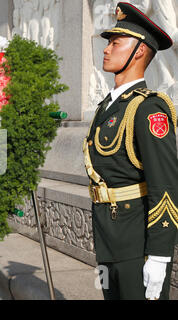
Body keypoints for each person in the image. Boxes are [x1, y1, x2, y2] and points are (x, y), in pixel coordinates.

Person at [84, 2, 177, 300]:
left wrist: (160, 255)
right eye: (108, 42)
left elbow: (165, 185)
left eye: (115, 42)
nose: (106, 49)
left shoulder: (148, 108)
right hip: (106, 238)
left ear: (138, 51)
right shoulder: (107, 107)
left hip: (137, 244)